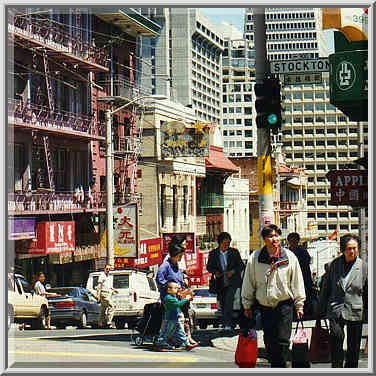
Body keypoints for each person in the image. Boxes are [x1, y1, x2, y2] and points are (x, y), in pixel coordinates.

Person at [241, 224, 306, 368]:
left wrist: (299, 304)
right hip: (265, 306)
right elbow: (248, 283)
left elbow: (297, 282)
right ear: (264, 239)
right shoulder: (255, 258)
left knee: (283, 340)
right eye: (270, 236)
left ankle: (280, 367)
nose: (274, 239)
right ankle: (276, 366)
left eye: (276, 235)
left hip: (284, 306)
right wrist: (247, 304)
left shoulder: (289, 257)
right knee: (269, 341)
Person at [319, 234, 367, 368]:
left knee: (353, 348)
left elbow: (368, 293)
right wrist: (320, 311)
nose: (352, 251)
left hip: (356, 311)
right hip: (336, 310)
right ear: (343, 249)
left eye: (354, 248)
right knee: (336, 343)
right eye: (349, 248)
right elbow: (325, 289)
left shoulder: (364, 267)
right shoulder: (333, 265)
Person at [156, 237, 197, 345]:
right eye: (179, 256)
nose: (180, 258)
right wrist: (171, 287)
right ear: (174, 255)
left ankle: (175, 340)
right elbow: (160, 280)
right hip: (169, 298)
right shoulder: (165, 266)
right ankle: (164, 340)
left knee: (176, 319)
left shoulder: (176, 265)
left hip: (177, 296)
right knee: (175, 319)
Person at [206, 232, 245, 334]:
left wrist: (233, 271)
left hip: (232, 281)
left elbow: (241, 265)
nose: (226, 245)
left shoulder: (234, 252)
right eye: (224, 243)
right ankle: (225, 324)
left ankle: (228, 324)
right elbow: (209, 267)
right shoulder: (213, 254)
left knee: (229, 301)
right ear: (219, 243)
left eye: (228, 243)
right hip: (220, 281)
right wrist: (215, 272)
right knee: (222, 303)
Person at [154, 281, 198, 351]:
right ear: (169, 289)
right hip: (170, 318)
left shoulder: (173, 296)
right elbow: (177, 304)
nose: (178, 289)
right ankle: (160, 343)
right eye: (175, 288)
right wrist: (186, 299)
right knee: (166, 332)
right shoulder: (168, 298)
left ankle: (187, 344)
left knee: (181, 332)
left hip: (175, 318)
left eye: (178, 288)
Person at [287, 232, 314, 318]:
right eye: (291, 241)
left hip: (304, 279)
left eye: (294, 241)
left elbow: (306, 264)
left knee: (304, 296)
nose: (292, 243)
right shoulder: (286, 253)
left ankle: (305, 313)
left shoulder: (303, 251)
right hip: (290, 280)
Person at [96, 264, 118, 329]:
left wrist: (114, 290)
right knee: (112, 306)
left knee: (103, 309)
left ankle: (100, 323)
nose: (108, 270)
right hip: (104, 294)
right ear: (104, 269)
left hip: (108, 293)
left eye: (109, 269)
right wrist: (98, 295)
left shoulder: (108, 276)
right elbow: (99, 286)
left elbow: (108, 286)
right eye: (107, 269)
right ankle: (108, 322)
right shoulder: (102, 276)